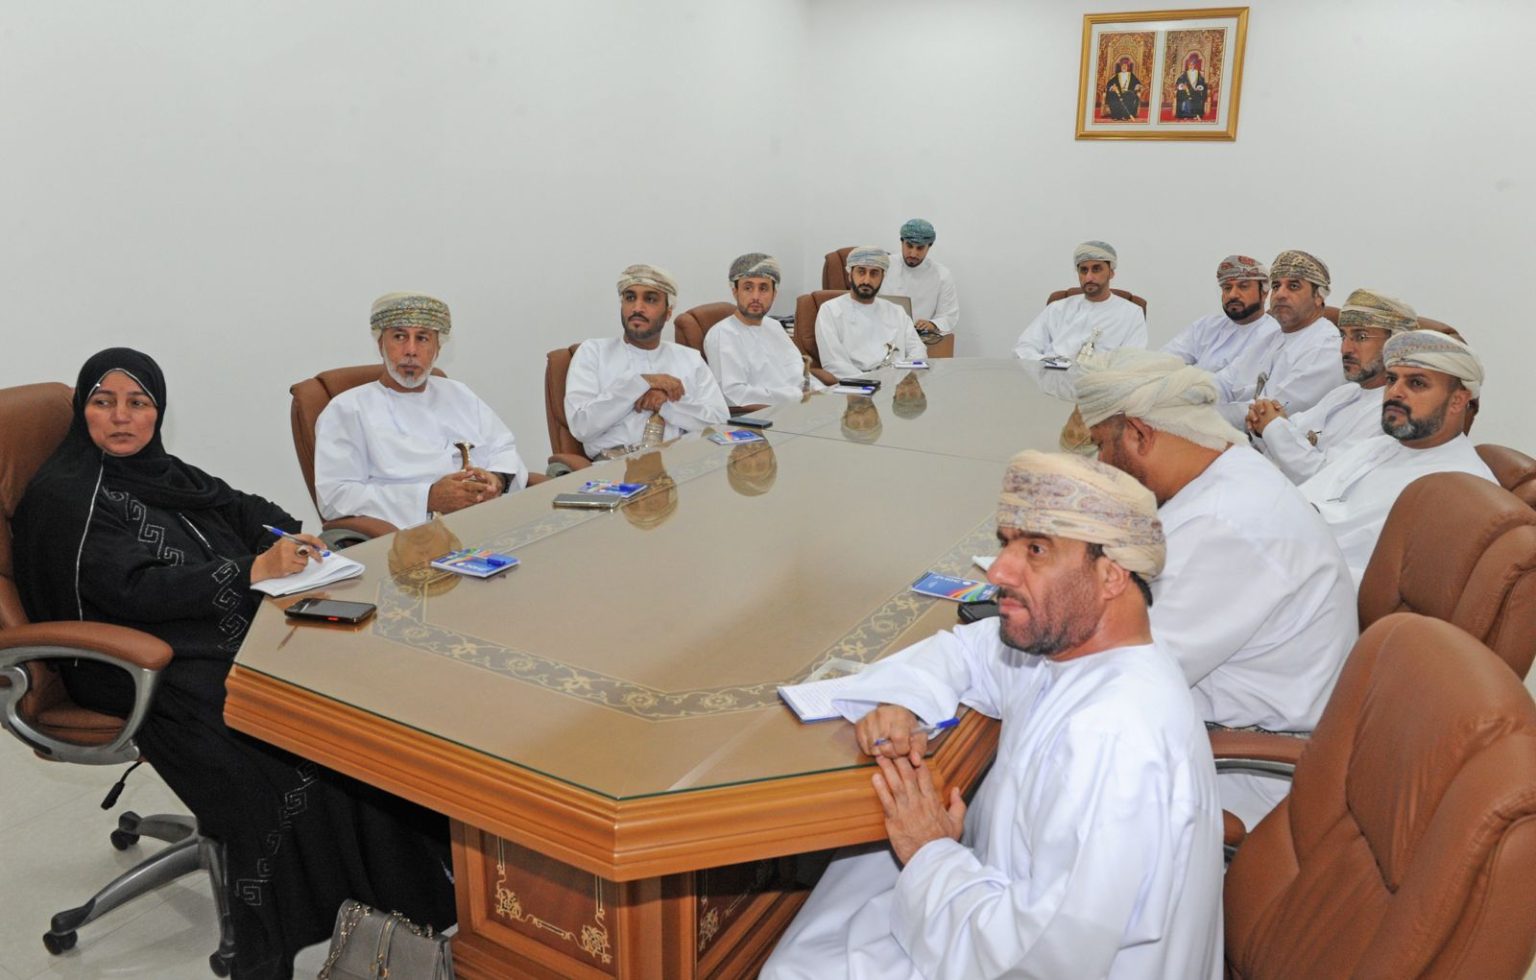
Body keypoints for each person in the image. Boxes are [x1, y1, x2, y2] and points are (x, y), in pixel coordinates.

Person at [12, 349, 455, 980]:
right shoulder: (65, 498)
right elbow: (130, 590)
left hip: (204, 630)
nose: (121, 417)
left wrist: (285, 537)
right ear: (83, 411)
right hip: (127, 660)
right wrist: (248, 571)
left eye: (138, 403)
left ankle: (413, 895)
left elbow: (236, 506)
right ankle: (319, 918)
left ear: (158, 412)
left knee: (355, 696)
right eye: (103, 402)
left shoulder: (159, 471)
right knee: (284, 733)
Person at [762, 451, 1222, 980]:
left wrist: (931, 851)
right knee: (854, 872)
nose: (1000, 571)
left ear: (1111, 575)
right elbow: (968, 652)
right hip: (1000, 908)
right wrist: (904, 701)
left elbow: (1044, 960)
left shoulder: (1114, 737)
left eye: (1036, 549)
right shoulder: (1071, 649)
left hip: (1025, 959)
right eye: (1006, 543)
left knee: (799, 962)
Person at [1076, 348, 1356, 827]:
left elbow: (1115, 667)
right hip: (1217, 727)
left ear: (1140, 433)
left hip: (1237, 772)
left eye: (1102, 446)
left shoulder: (1224, 522)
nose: (1101, 463)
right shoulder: (1233, 469)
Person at [313, 292, 530, 531]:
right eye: (399, 337)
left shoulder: (459, 393)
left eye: (423, 338)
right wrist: (427, 498)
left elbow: (503, 448)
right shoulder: (347, 410)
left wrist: (497, 480)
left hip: (486, 521)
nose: (411, 350)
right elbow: (335, 497)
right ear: (380, 345)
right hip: (411, 536)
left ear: (438, 349)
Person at [1299, 330, 1497, 583]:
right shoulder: (1377, 446)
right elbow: (1301, 501)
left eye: (1416, 383)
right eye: (1392, 379)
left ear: (1458, 400)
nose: (1394, 392)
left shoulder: (1461, 490)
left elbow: (1385, 588)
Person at [1249, 289, 1418, 483]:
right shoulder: (1345, 392)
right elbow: (1289, 430)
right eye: (1343, 336)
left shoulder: (1395, 413)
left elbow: (1325, 478)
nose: (1345, 349)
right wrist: (1261, 424)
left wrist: (1272, 426)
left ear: (1396, 344)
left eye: (1361, 337)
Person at [566, 264, 729, 458]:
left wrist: (666, 404)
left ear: (668, 312)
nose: (637, 308)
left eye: (650, 299)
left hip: (678, 461)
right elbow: (581, 427)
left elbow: (720, 422)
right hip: (615, 464)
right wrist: (641, 383)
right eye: (630, 298)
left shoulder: (689, 359)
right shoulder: (593, 352)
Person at [1211, 249, 1344, 427]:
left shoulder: (1326, 349)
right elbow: (1222, 383)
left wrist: (1196, 414)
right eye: (1276, 286)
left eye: (1293, 286)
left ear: (1319, 296)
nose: (1280, 294)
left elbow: (1266, 414)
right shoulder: (1270, 339)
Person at [704, 252, 832, 409]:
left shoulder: (774, 326)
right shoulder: (722, 335)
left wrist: (822, 392)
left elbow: (799, 373)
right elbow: (734, 395)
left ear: (774, 294)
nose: (755, 297)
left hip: (800, 408)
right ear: (735, 291)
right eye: (748, 288)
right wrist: (797, 396)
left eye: (763, 288)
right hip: (765, 417)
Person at [1014, 241, 1147, 362]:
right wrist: (1049, 362)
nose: (1089, 277)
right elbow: (1024, 347)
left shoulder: (1132, 313)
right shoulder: (1058, 308)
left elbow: (1133, 361)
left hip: (1103, 379)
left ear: (1111, 273)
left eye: (1096, 269)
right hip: (1055, 377)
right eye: (1083, 270)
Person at [814, 246, 927, 377]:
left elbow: (918, 351)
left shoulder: (897, 312)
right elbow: (834, 363)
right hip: (854, 385)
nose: (867, 280)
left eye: (874, 273)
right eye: (861, 272)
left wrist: (901, 378)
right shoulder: (830, 310)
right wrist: (871, 381)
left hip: (896, 383)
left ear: (883, 277)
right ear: (850, 275)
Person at [1161, 254, 1278, 373]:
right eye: (1227, 288)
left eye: (1243, 287)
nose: (1232, 295)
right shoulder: (1207, 326)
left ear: (1264, 292)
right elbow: (1163, 362)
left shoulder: (1273, 334)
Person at [880, 219, 960, 344]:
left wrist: (932, 324)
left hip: (919, 340)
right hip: (882, 333)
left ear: (929, 246)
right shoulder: (883, 266)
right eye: (909, 246)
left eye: (920, 248)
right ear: (902, 242)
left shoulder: (942, 275)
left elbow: (949, 315)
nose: (913, 253)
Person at [1174, 52, 1209, 119]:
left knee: (1198, 96)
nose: (1191, 66)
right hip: (1187, 90)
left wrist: (1199, 87)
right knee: (1183, 96)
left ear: (1194, 65)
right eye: (1190, 65)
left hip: (1196, 90)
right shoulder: (1185, 73)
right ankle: (1185, 115)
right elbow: (1179, 81)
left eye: (1192, 65)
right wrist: (1182, 86)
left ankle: (1196, 114)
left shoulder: (1197, 73)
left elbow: (1201, 82)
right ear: (1188, 65)